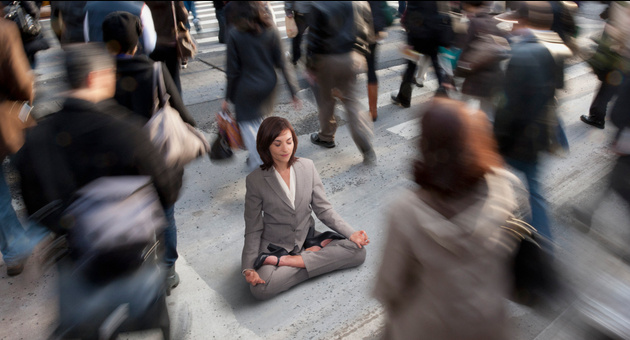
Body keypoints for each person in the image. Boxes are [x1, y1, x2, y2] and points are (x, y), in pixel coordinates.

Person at [13, 42, 182, 272]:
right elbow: (168, 189)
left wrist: (69, 227)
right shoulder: (127, 131)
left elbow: (33, 204)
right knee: (148, 299)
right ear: (96, 77)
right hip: (132, 258)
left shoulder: (39, 137)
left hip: (77, 265)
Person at [374, 98, 525, 340]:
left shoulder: (406, 213)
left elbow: (388, 287)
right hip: (487, 326)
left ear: (424, 145)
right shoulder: (502, 191)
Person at [102, 11, 197, 293]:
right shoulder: (154, 70)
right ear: (137, 39)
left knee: (128, 218)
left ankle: (139, 267)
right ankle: (168, 270)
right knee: (166, 215)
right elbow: (183, 114)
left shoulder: (101, 76)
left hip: (120, 164)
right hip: (158, 161)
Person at [242, 117, 369, 300]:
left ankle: (295, 261)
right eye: (277, 144)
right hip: (274, 247)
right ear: (266, 146)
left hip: (305, 239)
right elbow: (253, 228)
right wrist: (248, 268)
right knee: (260, 289)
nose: (285, 149)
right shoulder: (255, 181)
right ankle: (309, 262)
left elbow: (324, 210)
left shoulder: (307, 167)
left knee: (358, 252)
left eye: (289, 141)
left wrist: (351, 234)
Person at [493, 1, 562, 241]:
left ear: (523, 21)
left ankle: (502, 234)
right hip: (538, 134)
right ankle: (544, 240)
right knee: (534, 189)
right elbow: (555, 89)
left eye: (514, 20)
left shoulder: (521, 55)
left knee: (496, 184)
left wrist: (497, 141)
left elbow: (508, 108)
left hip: (516, 139)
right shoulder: (552, 46)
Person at [221, 1, 300, 172]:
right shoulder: (271, 30)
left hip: (245, 90)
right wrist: (293, 91)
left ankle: (264, 166)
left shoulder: (235, 34)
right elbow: (283, 63)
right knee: (263, 125)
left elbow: (232, 72)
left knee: (251, 132)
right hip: (268, 87)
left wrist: (227, 98)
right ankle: (266, 158)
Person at [0, 17, 49, 276]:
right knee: (35, 170)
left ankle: (13, 252)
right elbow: (20, 81)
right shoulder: (3, 29)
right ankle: (48, 227)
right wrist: (26, 103)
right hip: (6, 118)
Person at [306, 1, 376, 164]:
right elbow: (369, 32)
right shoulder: (360, 2)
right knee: (351, 103)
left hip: (327, 59)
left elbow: (314, 37)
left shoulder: (319, 4)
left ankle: (326, 136)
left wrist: (310, 65)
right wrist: (362, 52)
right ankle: (364, 144)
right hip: (353, 57)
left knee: (326, 100)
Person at [454, 1, 509, 121]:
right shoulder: (495, 22)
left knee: (462, 113)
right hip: (495, 78)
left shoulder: (474, 23)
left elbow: (463, 50)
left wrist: (455, 75)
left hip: (475, 79)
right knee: (489, 116)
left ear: (470, 6)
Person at [145, 1, 189, 95]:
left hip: (153, 44)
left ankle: (158, 105)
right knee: (174, 78)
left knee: (154, 79)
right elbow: (182, 17)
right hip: (170, 43)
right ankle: (177, 106)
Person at [83, 1, 156, 56]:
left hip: (101, 66)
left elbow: (88, 39)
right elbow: (149, 46)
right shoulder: (142, 8)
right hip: (134, 66)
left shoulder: (90, 8)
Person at [366, 1, 388, 121]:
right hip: (374, 32)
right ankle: (373, 110)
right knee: (371, 68)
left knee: (350, 64)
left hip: (357, 31)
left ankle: (341, 93)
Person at [284, 1, 311, 66]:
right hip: (305, 11)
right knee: (298, 37)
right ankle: (296, 58)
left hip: (307, 11)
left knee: (298, 37)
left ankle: (296, 58)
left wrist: (288, 9)